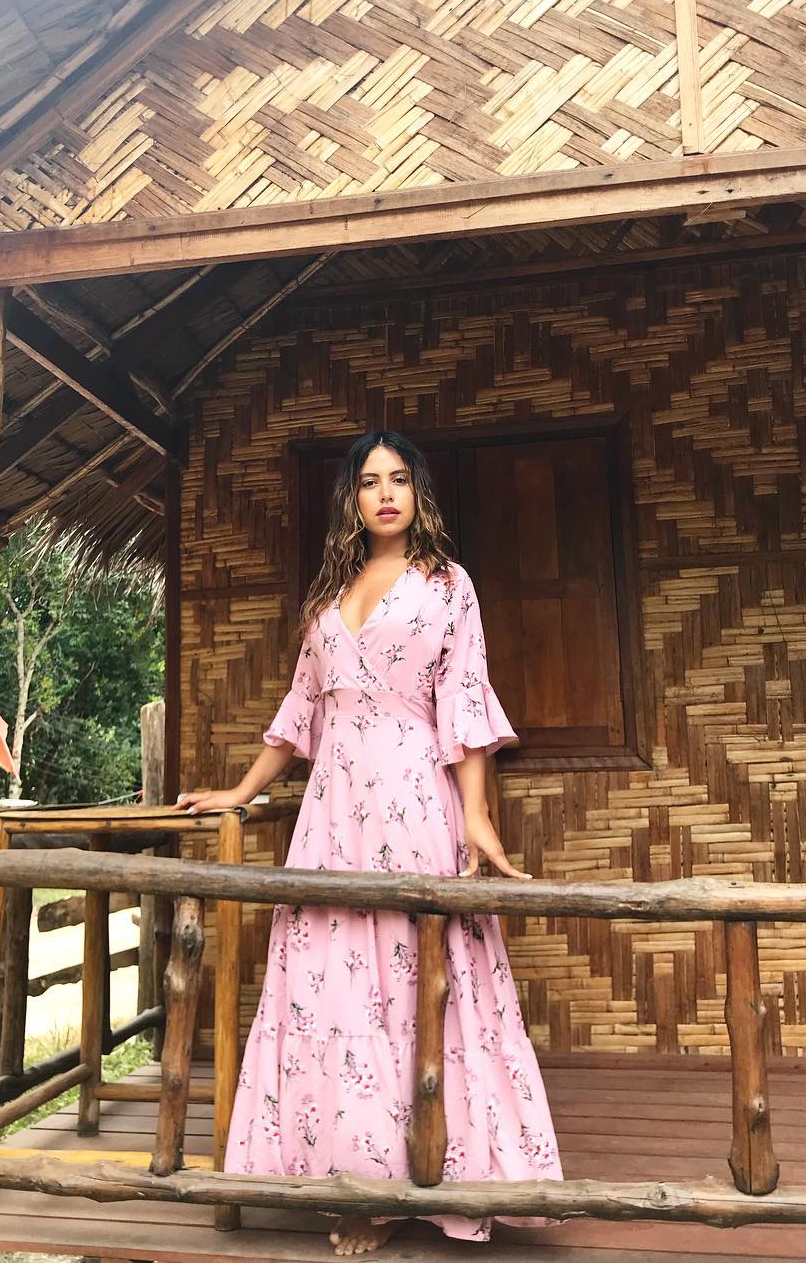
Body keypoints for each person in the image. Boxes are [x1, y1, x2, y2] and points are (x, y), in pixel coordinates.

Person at [175, 430, 562, 1256]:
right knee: (335, 984)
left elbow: (464, 705)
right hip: (331, 815)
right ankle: (355, 1181)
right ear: (351, 498)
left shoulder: (448, 584)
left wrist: (477, 816)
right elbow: (299, 712)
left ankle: (425, 1179)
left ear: (419, 493)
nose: (385, 493)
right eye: (369, 481)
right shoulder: (330, 591)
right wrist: (240, 791)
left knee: (415, 980)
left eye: (399, 479)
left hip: (413, 802)